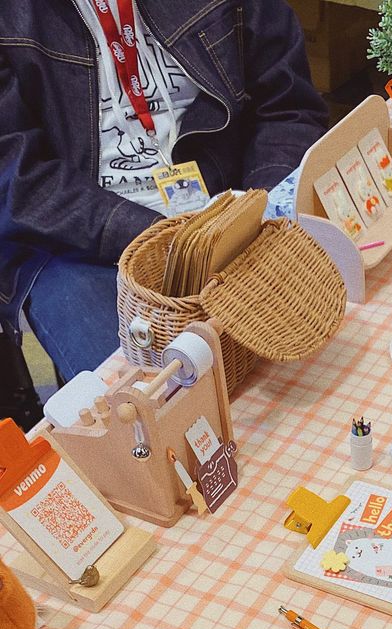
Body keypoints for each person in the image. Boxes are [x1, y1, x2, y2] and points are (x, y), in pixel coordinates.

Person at [0, 1, 328, 381]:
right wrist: (174, 242)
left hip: (228, 202)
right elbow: (17, 180)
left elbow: (286, 106)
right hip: (72, 245)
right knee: (160, 404)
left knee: (318, 350)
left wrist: (262, 206)